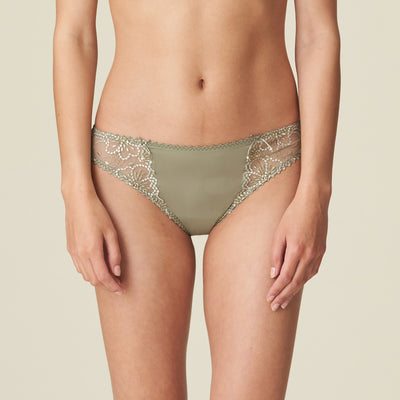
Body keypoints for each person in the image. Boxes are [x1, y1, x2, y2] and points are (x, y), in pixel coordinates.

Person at [53, 0, 340, 398]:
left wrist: (316, 193)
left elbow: (317, 33)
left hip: (266, 169)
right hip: (130, 173)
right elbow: (74, 33)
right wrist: (76, 193)